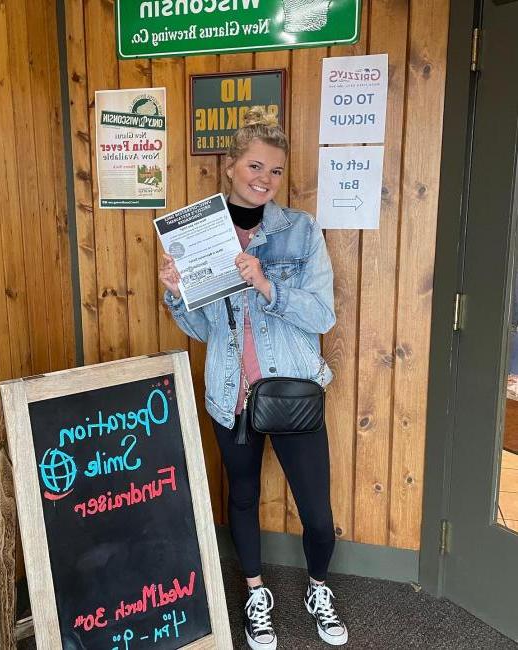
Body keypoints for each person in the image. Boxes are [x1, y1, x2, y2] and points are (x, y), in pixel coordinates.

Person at [158, 107, 348, 648]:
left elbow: (322, 316)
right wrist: (175, 290)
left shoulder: (300, 232)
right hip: (229, 395)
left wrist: (268, 286)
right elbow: (201, 329)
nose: (265, 180)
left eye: (276, 171)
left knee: (317, 511)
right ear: (229, 166)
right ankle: (256, 592)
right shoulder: (199, 234)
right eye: (255, 167)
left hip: (292, 392)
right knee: (241, 496)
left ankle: (318, 587)